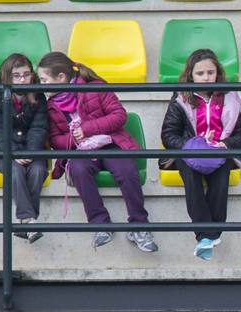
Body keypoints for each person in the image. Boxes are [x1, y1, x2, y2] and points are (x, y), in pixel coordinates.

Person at [38, 52, 156, 252]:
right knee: (79, 170)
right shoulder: (49, 106)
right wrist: (74, 138)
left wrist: (88, 128)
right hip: (80, 151)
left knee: (127, 170)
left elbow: (119, 116)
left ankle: (139, 226)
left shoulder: (95, 87)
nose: (40, 85)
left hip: (110, 143)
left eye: (44, 80)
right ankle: (100, 224)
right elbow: (54, 139)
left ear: (61, 78)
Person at [160, 49, 241, 262]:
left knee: (223, 171)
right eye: (200, 73)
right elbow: (168, 135)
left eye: (210, 72)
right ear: (191, 75)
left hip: (218, 151)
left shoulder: (229, 98)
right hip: (189, 152)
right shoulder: (181, 98)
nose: (206, 77)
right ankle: (205, 235)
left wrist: (224, 143)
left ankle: (212, 232)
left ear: (217, 73)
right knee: (189, 172)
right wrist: (193, 145)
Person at [0, 54, 46, 242]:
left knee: (39, 170)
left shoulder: (38, 97)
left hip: (31, 151)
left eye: (26, 74)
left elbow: (39, 128)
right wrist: (14, 153)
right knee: (14, 170)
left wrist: (28, 152)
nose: (22, 79)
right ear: (7, 76)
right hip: (1, 151)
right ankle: (28, 220)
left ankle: (27, 224)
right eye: (17, 75)